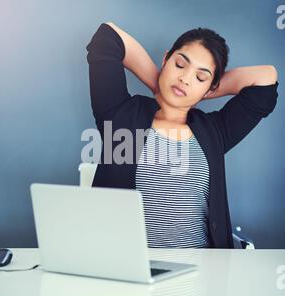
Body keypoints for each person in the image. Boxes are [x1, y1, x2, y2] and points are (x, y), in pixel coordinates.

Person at [85, 22, 279, 248]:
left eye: (200, 77)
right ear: (166, 59)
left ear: (211, 88)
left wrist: (202, 92)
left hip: (203, 272)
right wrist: (158, 82)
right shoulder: (120, 115)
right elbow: (107, 37)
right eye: (179, 64)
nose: (185, 79)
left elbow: (266, 79)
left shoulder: (215, 131)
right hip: (126, 270)